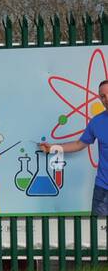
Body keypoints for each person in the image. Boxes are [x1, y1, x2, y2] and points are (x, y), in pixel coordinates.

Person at [42, 79, 108, 216]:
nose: (106, 99)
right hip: (103, 189)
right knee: (98, 233)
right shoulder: (96, 122)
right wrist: (53, 148)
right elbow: (79, 144)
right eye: (102, 96)